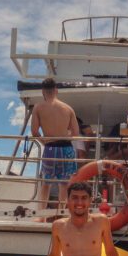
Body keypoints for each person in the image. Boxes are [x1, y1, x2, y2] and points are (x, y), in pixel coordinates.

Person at [44, 181, 122, 256]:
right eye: (75, 198)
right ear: (68, 200)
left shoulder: (101, 221)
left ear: (90, 200)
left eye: (84, 198)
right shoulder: (58, 226)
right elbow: (54, 254)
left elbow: (110, 250)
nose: (79, 203)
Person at [31, 77, 79, 212]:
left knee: (46, 183)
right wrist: (64, 137)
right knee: (64, 185)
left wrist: (45, 141)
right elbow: (75, 132)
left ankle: (41, 214)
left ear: (43, 92)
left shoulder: (38, 107)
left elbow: (34, 131)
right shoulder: (68, 108)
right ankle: (61, 213)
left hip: (50, 148)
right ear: (56, 91)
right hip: (66, 148)